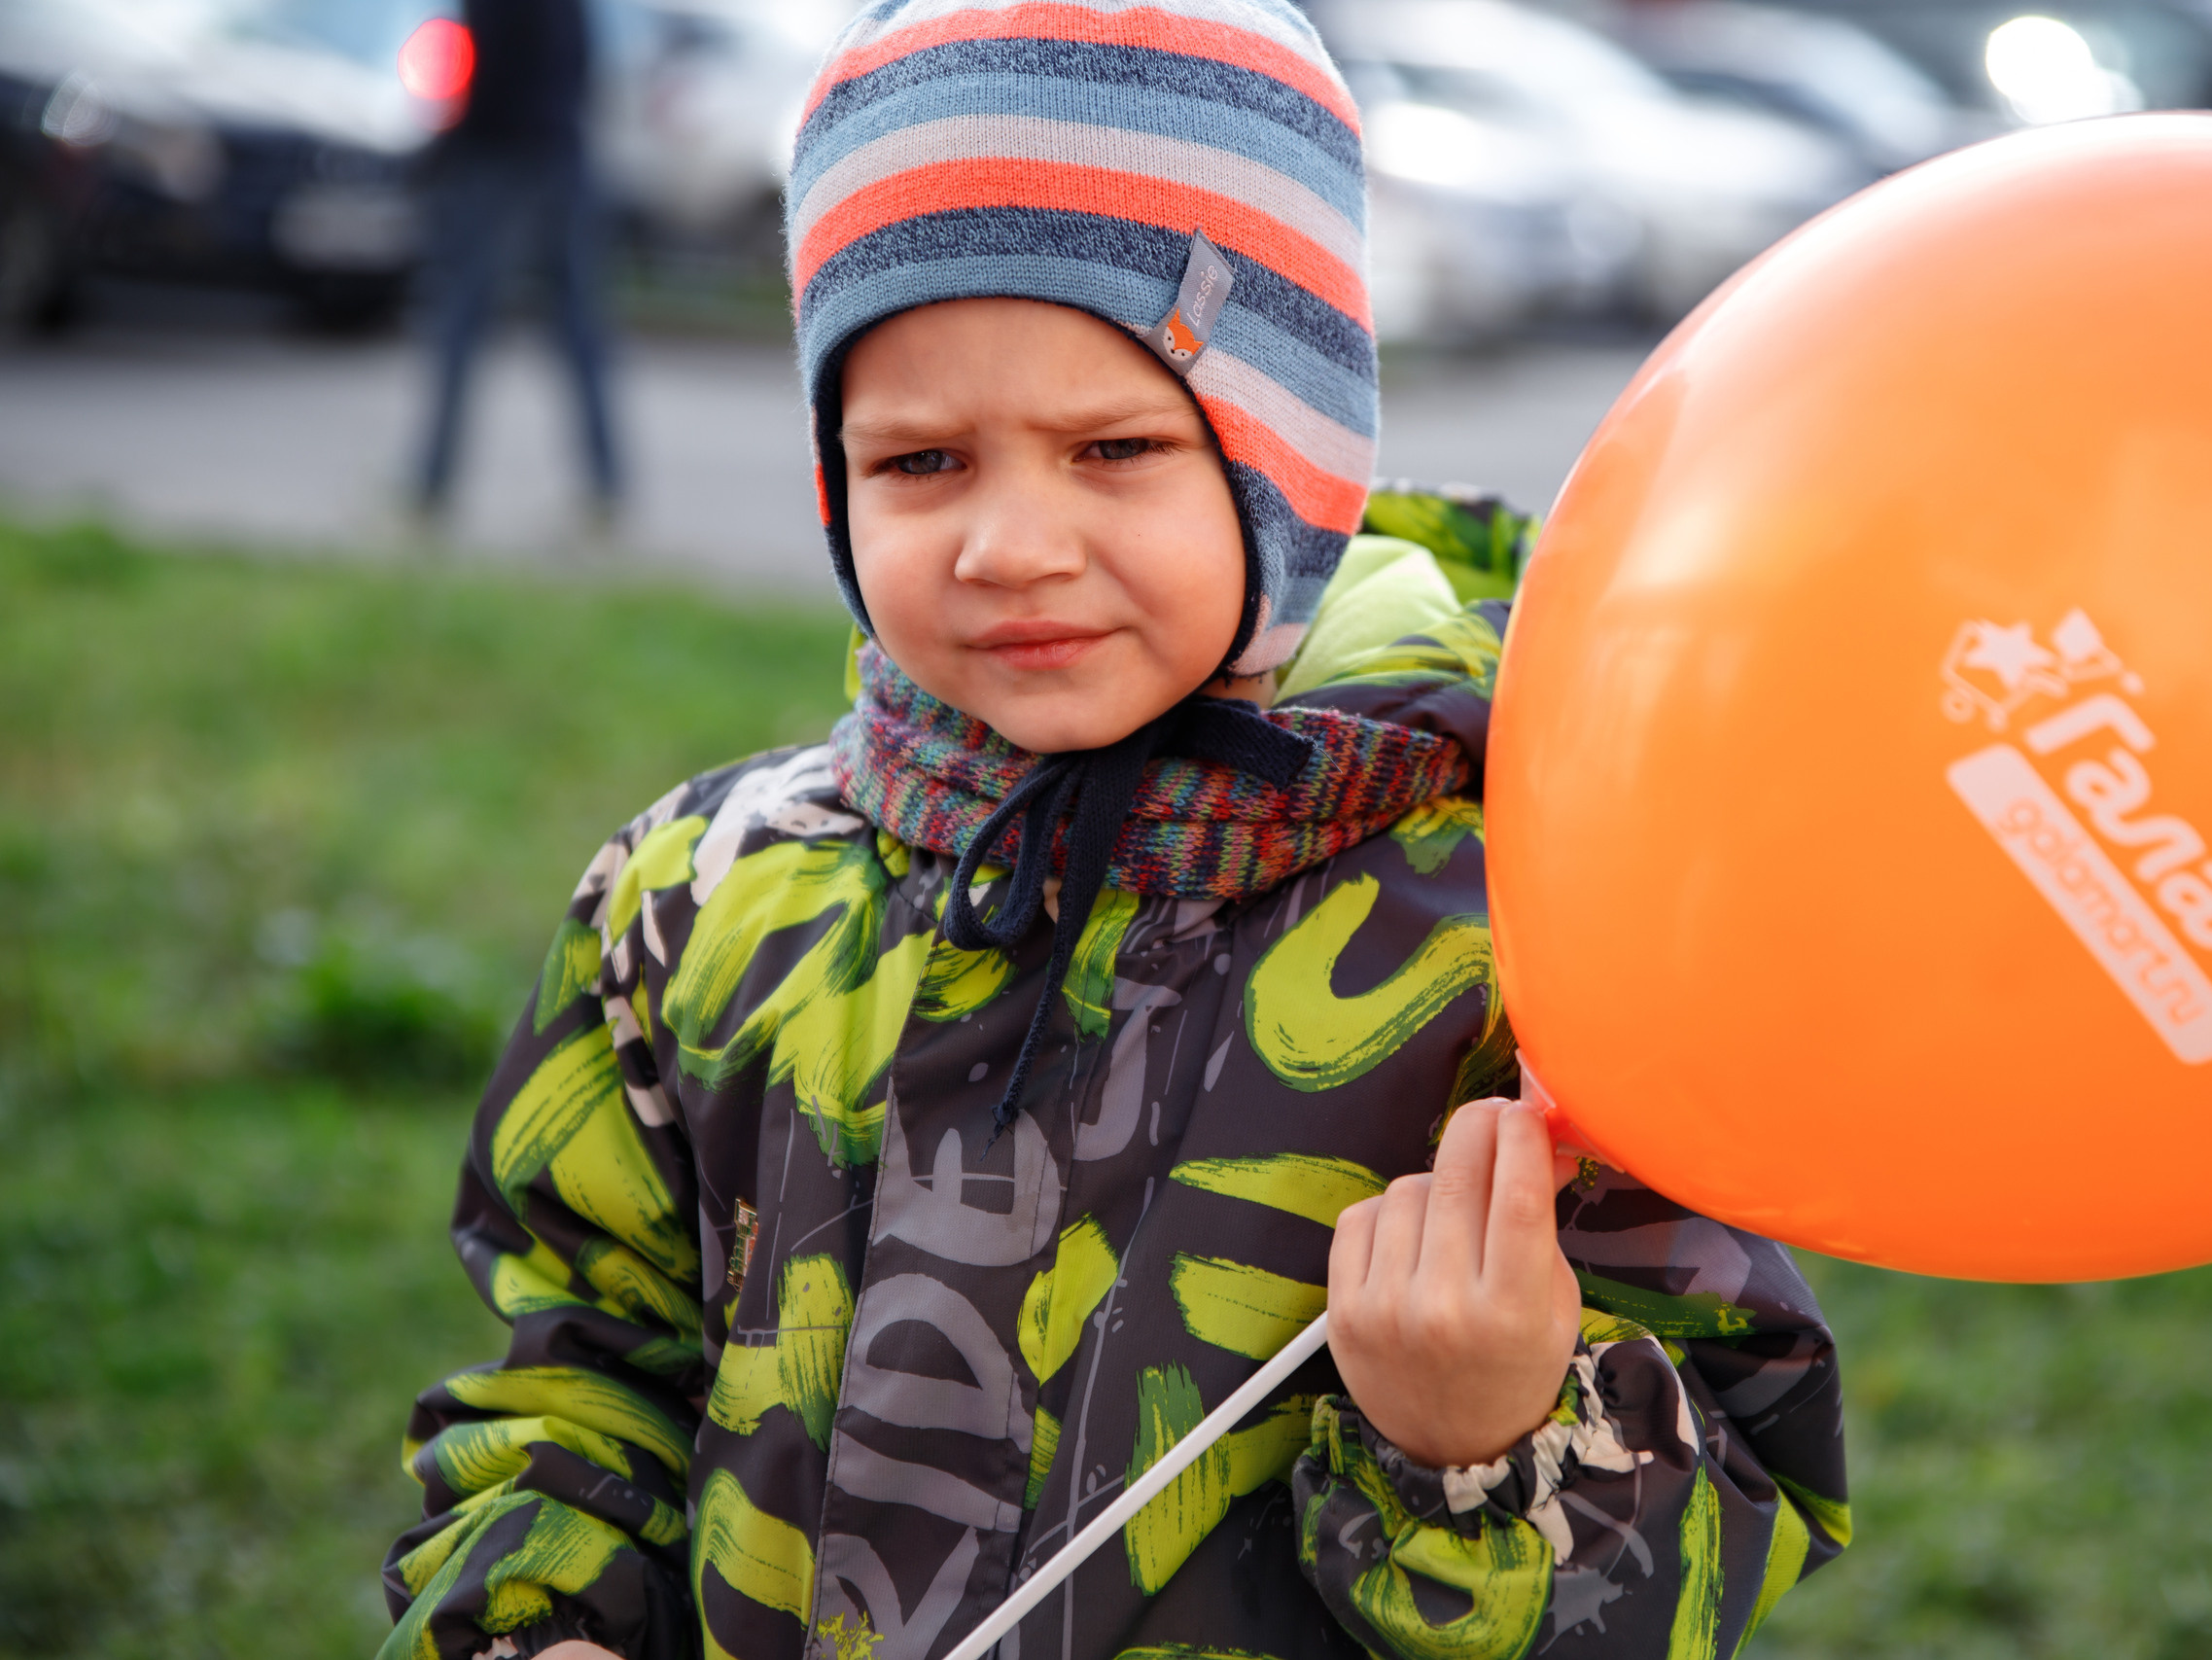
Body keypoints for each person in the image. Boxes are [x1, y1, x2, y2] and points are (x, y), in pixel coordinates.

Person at [376, 2, 1849, 1656]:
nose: (1011, 542)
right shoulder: (694, 903)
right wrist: (534, 1615)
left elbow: (1731, 1483)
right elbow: (578, 1372)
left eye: (1116, 447)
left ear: (1290, 455)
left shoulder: (1527, 948)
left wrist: (1480, 1448)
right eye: (922, 458)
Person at [411, 0, 621, 530]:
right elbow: (585, 66)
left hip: (494, 158)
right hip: (559, 149)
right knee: (577, 332)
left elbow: (480, 70)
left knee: (461, 321)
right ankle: (604, 490)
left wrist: (441, 149)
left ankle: (430, 487)